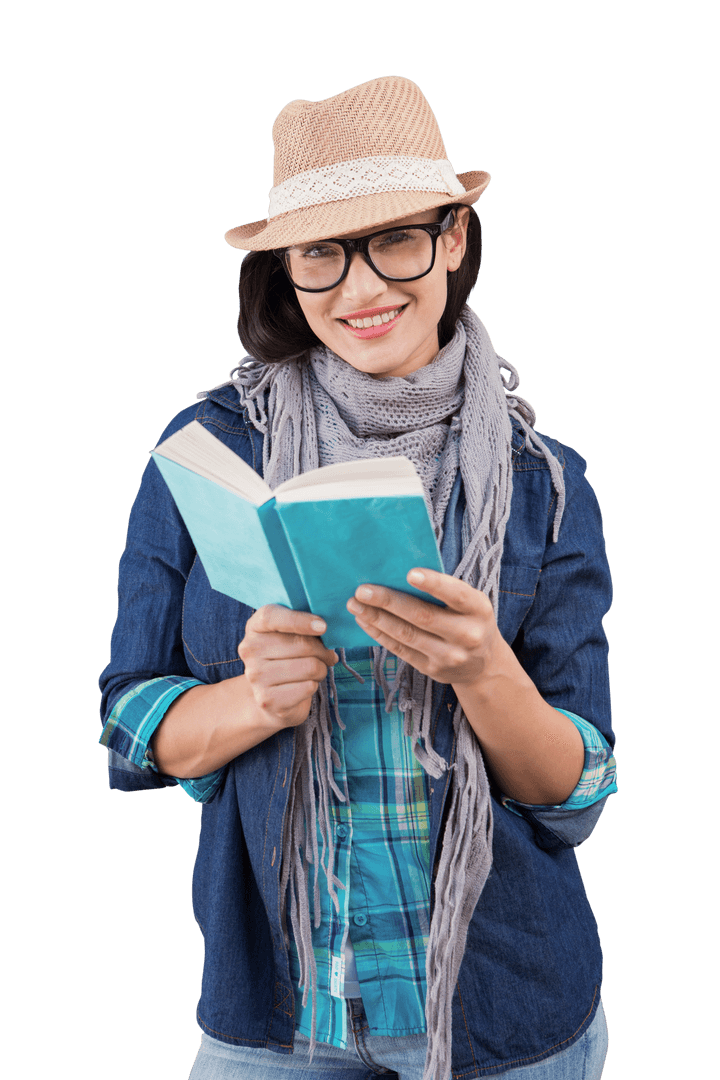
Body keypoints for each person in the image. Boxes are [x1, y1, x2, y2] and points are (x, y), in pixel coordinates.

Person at [99, 76, 617, 1080]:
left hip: (505, 1004)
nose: (362, 288)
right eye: (322, 253)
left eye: (396, 240)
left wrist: (486, 673)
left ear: (454, 238)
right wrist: (250, 702)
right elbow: (127, 717)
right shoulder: (211, 448)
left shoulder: (543, 482)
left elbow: (580, 785)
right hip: (284, 1007)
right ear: (286, 271)